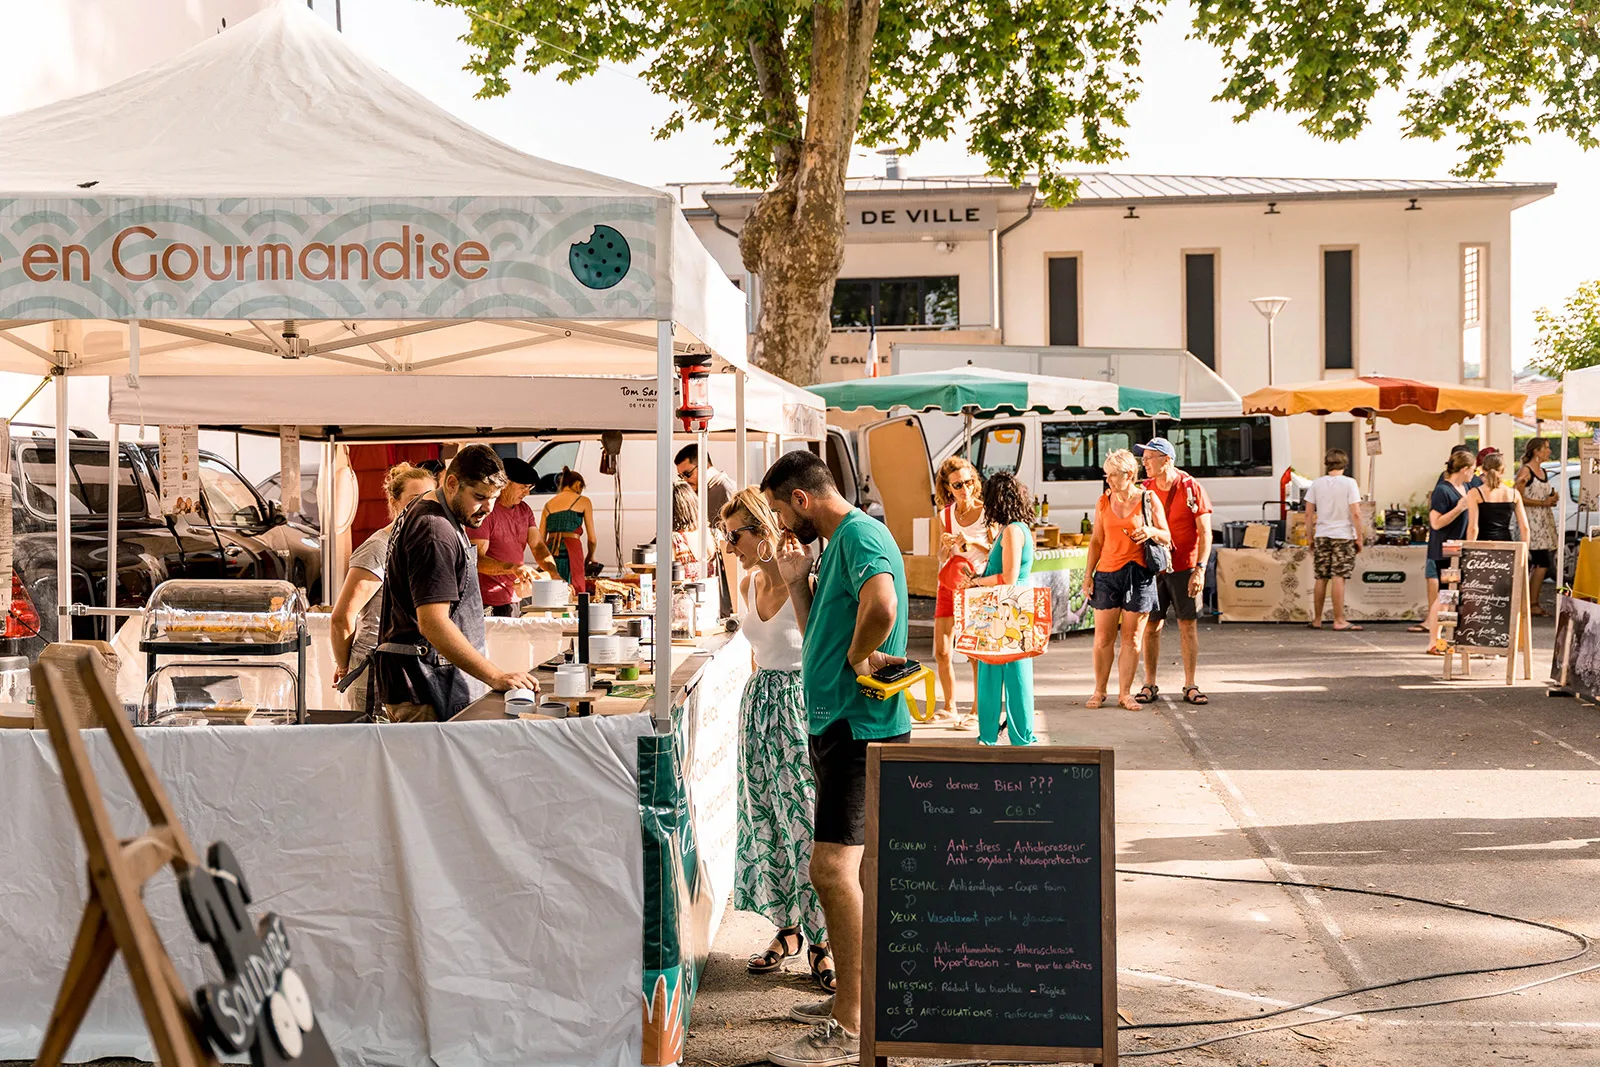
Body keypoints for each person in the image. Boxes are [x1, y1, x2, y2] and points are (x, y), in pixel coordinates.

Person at [761, 450, 908, 1067]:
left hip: (860, 726)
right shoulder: (836, 545)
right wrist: (798, 582)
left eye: (780, 513)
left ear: (801, 498)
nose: (783, 530)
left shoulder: (860, 534)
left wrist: (855, 660)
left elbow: (883, 606)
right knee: (854, 870)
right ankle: (855, 996)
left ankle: (850, 1020)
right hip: (839, 725)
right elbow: (818, 631)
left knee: (831, 869)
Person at [719, 487, 832, 994]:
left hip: (799, 706)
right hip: (758, 708)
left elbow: (821, 646)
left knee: (807, 825)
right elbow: (756, 653)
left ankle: (824, 941)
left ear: (764, 530)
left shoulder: (807, 579)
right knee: (764, 820)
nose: (729, 545)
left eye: (735, 534)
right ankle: (787, 931)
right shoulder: (745, 585)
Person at [373, 444, 540, 721]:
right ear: (451, 483)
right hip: (424, 685)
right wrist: (495, 676)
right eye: (479, 496)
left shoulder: (438, 510)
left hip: (432, 678)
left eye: (494, 498)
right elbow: (433, 622)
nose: (488, 508)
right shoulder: (433, 531)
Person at [329, 463, 435, 717]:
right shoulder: (378, 548)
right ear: (394, 502)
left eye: (429, 499)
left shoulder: (426, 543)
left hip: (414, 667)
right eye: (413, 500)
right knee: (373, 746)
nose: (422, 506)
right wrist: (344, 666)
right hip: (375, 669)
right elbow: (342, 618)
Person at [1083, 449, 1170, 711]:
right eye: (1106, 474)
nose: (1108, 479)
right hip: (1107, 574)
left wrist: (1151, 530)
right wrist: (1088, 576)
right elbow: (1097, 541)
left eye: (1112, 475)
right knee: (1102, 638)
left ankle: (1125, 693)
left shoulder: (1149, 499)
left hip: (1139, 576)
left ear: (1129, 474)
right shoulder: (1103, 501)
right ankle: (1099, 691)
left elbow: (1166, 536)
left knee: (1132, 639)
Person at [1135, 438, 1214, 706]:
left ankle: (1190, 684)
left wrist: (1200, 570)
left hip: (1185, 566)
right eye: (1143, 458)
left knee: (1187, 626)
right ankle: (1149, 683)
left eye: (1148, 458)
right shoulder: (1144, 489)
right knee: (1151, 627)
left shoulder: (1192, 488)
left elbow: (1205, 532)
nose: (1143, 463)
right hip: (1155, 566)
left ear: (1166, 460)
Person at [963, 472, 1037, 746]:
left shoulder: (1012, 532)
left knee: (1001, 677)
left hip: (1006, 612)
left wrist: (976, 582)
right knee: (1003, 675)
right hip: (1009, 611)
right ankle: (1005, 734)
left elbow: (1008, 576)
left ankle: (1011, 735)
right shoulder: (1016, 529)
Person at [931, 456, 989, 729]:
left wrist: (974, 540)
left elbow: (1000, 548)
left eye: (968, 482)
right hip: (948, 584)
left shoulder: (987, 512)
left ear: (975, 483)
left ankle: (977, 710)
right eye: (957, 485)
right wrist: (944, 549)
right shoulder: (944, 516)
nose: (964, 488)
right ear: (948, 488)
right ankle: (950, 706)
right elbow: (939, 555)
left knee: (973, 652)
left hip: (975, 585)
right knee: (942, 651)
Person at [470, 456, 561, 616]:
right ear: (505, 483)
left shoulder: (524, 510)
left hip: (514, 598)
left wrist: (553, 573)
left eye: (530, 488)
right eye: (523, 487)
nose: (527, 493)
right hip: (487, 603)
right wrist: (513, 568)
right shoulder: (486, 511)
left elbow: (538, 546)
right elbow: (477, 559)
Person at [1304, 447, 1365, 632]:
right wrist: (1359, 536)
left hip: (1322, 533)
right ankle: (1339, 620)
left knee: (1321, 577)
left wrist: (1309, 537)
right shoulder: (1350, 483)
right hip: (1343, 535)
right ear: (1345, 464)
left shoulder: (1317, 483)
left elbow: (1308, 514)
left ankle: (1317, 619)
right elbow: (1356, 512)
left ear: (1326, 464)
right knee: (1338, 577)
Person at [1424, 451, 1476, 655]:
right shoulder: (1442, 491)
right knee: (1445, 596)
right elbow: (1435, 523)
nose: (1474, 473)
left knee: (1451, 596)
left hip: (1457, 549)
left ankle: (1443, 640)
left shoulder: (1465, 487)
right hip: (1444, 550)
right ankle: (1434, 641)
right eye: (1472, 469)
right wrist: (1459, 508)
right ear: (1464, 469)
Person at [678, 443, 736, 615]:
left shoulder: (725, 489)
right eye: (681, 476)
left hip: (727, 576)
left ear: (704, 465)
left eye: (687, 474)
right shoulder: (704, 490)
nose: (686, 481)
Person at [1515, 437, 1559, 615]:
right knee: (1542, 562)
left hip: (1543, 521)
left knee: (1540, 562)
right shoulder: (1526, 471)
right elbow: (1518, 496)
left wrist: (1551, 498)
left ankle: (1531, 601)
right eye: (1546, 448)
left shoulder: (1543, 471)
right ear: (1536, 451)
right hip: (1531, 521)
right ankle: (1531, 602)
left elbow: (1543, 494)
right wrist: (1542, 503)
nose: (1549, 451)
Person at [540, 469, 597, 594]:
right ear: (577, 484)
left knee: (552, 593)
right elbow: (592, 539)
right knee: (575, 592)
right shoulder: (583, 501)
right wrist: (590, 556)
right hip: (573, 549)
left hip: (551, 553)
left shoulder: (548, 505)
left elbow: (539, 541)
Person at [1467, 450, 1530, 545]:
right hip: (1506, 544)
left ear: (1483, 470)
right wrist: (1524, 553)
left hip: (1483, 545)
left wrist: (1470, 549)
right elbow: (1524, 527)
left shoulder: (1475, 493)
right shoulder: (1514, 494)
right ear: (1503, 470)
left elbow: (1473, 528)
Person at [671, 479, 708, 580]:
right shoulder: (714, 534)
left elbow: (666, 575)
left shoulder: (676, 540)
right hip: (714, 594)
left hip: (685, 595)